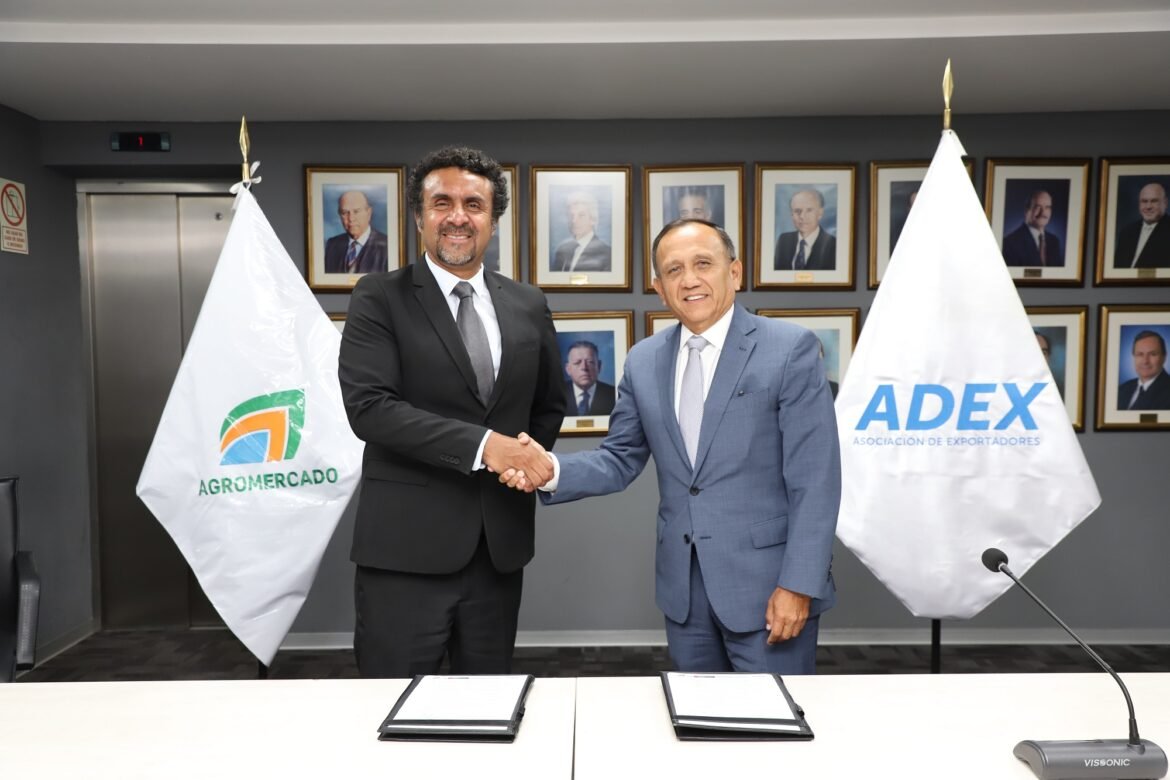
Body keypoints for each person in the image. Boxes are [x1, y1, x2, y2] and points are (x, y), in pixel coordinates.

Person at [512, 219, 840, 674]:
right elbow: (619, 457)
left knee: (771, 717)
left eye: (703, 264)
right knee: (695, 716)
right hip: (684, 595)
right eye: (674, 270)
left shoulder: (789, 349)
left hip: (769, 589)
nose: (689, 280)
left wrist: (799, 585)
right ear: (660, 289)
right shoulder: (644, 360)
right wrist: (549, 469)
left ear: (735, 272)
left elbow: (816, 480)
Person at [338, 146, 566, 677]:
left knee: (487, 704)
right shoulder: (379, 296)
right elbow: (370, 409)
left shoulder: (528, 303)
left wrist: (520, 464)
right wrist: (488, 448)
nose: (458, 216)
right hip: (404, 553)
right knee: (392, 704)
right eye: (442, 203)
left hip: (498, 549)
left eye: (474, 204)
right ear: (420, 217)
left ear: (493, 221)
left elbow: (548, 404)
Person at [323, 190, 390, 273]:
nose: (351, 218)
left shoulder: (387, 246)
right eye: (345, 212)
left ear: (369, 213)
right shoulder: (332, 245)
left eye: (356, 211)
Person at [773, 189, 836, 271]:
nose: (802, 216)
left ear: (820, 213)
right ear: (792, 214)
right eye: (797, 211)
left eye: (809, 210)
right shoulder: (784, 240)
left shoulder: (833, 245)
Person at [552, 191, 612, 273]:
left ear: (593, 219)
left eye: (581, 215)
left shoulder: (607, 254)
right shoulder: (562, 250)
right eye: (571, 215)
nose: (574, 221)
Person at [1114, 182, 1170, 269]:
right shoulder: (1127, 232)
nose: (1148, 206)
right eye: (1144, 201)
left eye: (1154, 201)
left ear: (1165, 203)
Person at [1001, 189, 1063, 267]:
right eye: (1038, 207)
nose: (1043, 212)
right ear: (1027, 211)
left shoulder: (1054, 241)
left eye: (1047, 207)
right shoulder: (1010, 243)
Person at [1117, 330, 1170, 410]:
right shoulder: (1122, 389)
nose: (1145, 361)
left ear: (1164, 357)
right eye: (1140, 354)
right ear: (1134, 357)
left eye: (1153, 354)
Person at [563, 340, 616, 416]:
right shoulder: (556, 395)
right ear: (568, 369)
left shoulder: (614, 394)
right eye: (577, 362)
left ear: (599, 366)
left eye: (590, 362)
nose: (584, 367)